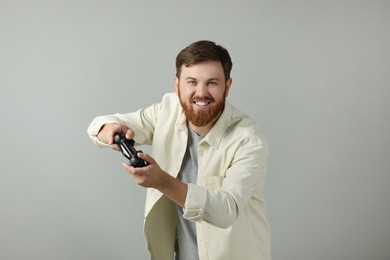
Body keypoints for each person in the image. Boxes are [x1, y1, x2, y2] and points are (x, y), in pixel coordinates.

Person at [87, 40, 270, 260]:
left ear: (227, 86)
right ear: (177, 85)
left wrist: (161, 181)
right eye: (192, 82)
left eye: (212, 82)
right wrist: (111, 131)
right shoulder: (167, 110)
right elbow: (101, 124)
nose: (201, 93)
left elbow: (225, 210)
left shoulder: (248, 140)